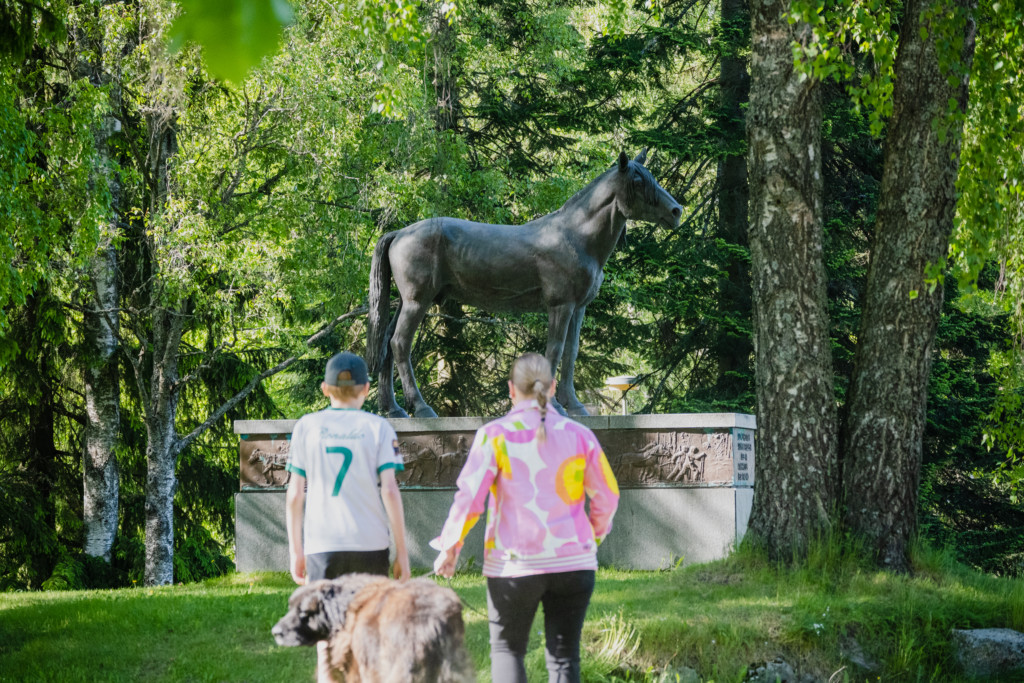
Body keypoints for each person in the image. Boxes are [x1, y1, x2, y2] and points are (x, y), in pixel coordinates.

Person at [432, 352, 620, 683]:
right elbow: (607, 495)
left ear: (511, 390)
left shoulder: (495, 435)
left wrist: (451, 546)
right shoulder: (580, 435)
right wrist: (592, 536)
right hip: (574, 562)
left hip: (513, 566)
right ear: (552, 388)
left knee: (508, 651)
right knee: (565, 658)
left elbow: (470, 498)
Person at [285, 351, 411, 683]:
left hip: (321, 545)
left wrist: (296, 550)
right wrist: (403, 552)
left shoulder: (307, 427)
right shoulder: (378, 427)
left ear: (325, 389)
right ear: (367, 389)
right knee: (370, 632)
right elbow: (390, 491)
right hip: (370, 542)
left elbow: (295, 494)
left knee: (325, 634)